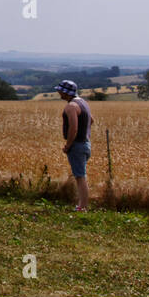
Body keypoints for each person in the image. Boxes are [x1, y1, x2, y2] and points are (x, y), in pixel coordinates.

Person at [55, 79, 92, 210]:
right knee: (81, 174)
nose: (59, 93)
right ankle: (83, 205)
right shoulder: (83, 103)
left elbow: (73, 128)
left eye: (61, 91)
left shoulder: (71, 106)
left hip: (77, 145)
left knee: (80, 177)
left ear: (66, 92)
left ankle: (83, 206)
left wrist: (68, 145)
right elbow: (91, 120)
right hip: (86, 143)